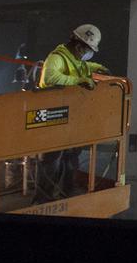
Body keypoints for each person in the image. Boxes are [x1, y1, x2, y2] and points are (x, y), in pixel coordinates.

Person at [34, 24, 108, 203]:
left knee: (71, 156)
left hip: (68, 116)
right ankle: (44, 198)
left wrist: (96, 67)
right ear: (79, 46)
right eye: (88, 50)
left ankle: (67, 190)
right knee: (51, 159)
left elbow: (81, 66)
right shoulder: (56, 58)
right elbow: (51, 78)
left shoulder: (74, 59)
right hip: (51, 116)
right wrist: (79, 80)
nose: (88, 54)